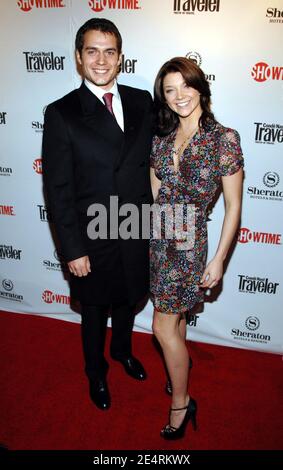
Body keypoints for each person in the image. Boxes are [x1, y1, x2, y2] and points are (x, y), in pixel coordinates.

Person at [42, 18, 153, 411]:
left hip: (137, 228)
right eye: (92, 51)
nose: (101, 60)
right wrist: (72, 249)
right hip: (92, 236)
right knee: (94, 310)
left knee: (128, 300)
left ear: (121, 57)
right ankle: (96, 372)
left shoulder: (143, 101)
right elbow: (57, 189)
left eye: (109, 51)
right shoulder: (63, 113)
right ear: (78, 57)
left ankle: (122, 351)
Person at [150, 57, 244, 439]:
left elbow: (234, 206)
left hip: (188, 245)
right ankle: (179, 376)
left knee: (162, 325)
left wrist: (219, 259)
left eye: (185, 86)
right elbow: (156, 189)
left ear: (201, 87)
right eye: (169, 90)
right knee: (175, 321)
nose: (178, 96)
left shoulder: (224, 139)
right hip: (158, 241)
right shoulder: (161, 137)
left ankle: (182, 402)